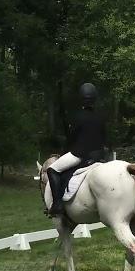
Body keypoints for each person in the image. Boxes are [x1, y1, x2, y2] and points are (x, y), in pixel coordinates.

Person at [47, 82, 108, 216]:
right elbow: (104, 138)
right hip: (98, 156)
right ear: (95, 99)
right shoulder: (101, 116)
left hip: (80, 155)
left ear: (81, 99)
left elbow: (71, 139)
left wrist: (63, 153)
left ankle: (57, 204)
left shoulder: (77, 116)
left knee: (52, 170)